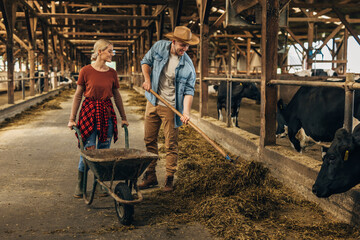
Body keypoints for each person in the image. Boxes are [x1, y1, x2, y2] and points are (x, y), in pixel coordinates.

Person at [140, 26, 199, 192]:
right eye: (182, 45)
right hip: (153, 100)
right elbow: (145, 61)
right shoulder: (159, 47)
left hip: (171, 107)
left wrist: (186, 112)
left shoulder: (188, 66)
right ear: (173, 41)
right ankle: (150, 175)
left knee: (170, 144)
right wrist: (147, 80)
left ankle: (169, 178)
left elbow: (189, 90)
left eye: (187, 46)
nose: (184, 49)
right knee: (149, 140)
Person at [67, 39, 129, 198]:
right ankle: (81, 184)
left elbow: (117, 96)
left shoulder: (112, 73)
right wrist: (72, 118)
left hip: (106, 114)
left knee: (104, 150)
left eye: (112, 51)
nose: (112, 54)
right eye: (109, 50)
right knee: (88, 150)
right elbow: (78, 95)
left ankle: (101, 183)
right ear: (100, 52)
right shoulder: (85, 71)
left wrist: (123, 117)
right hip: (88, 113)